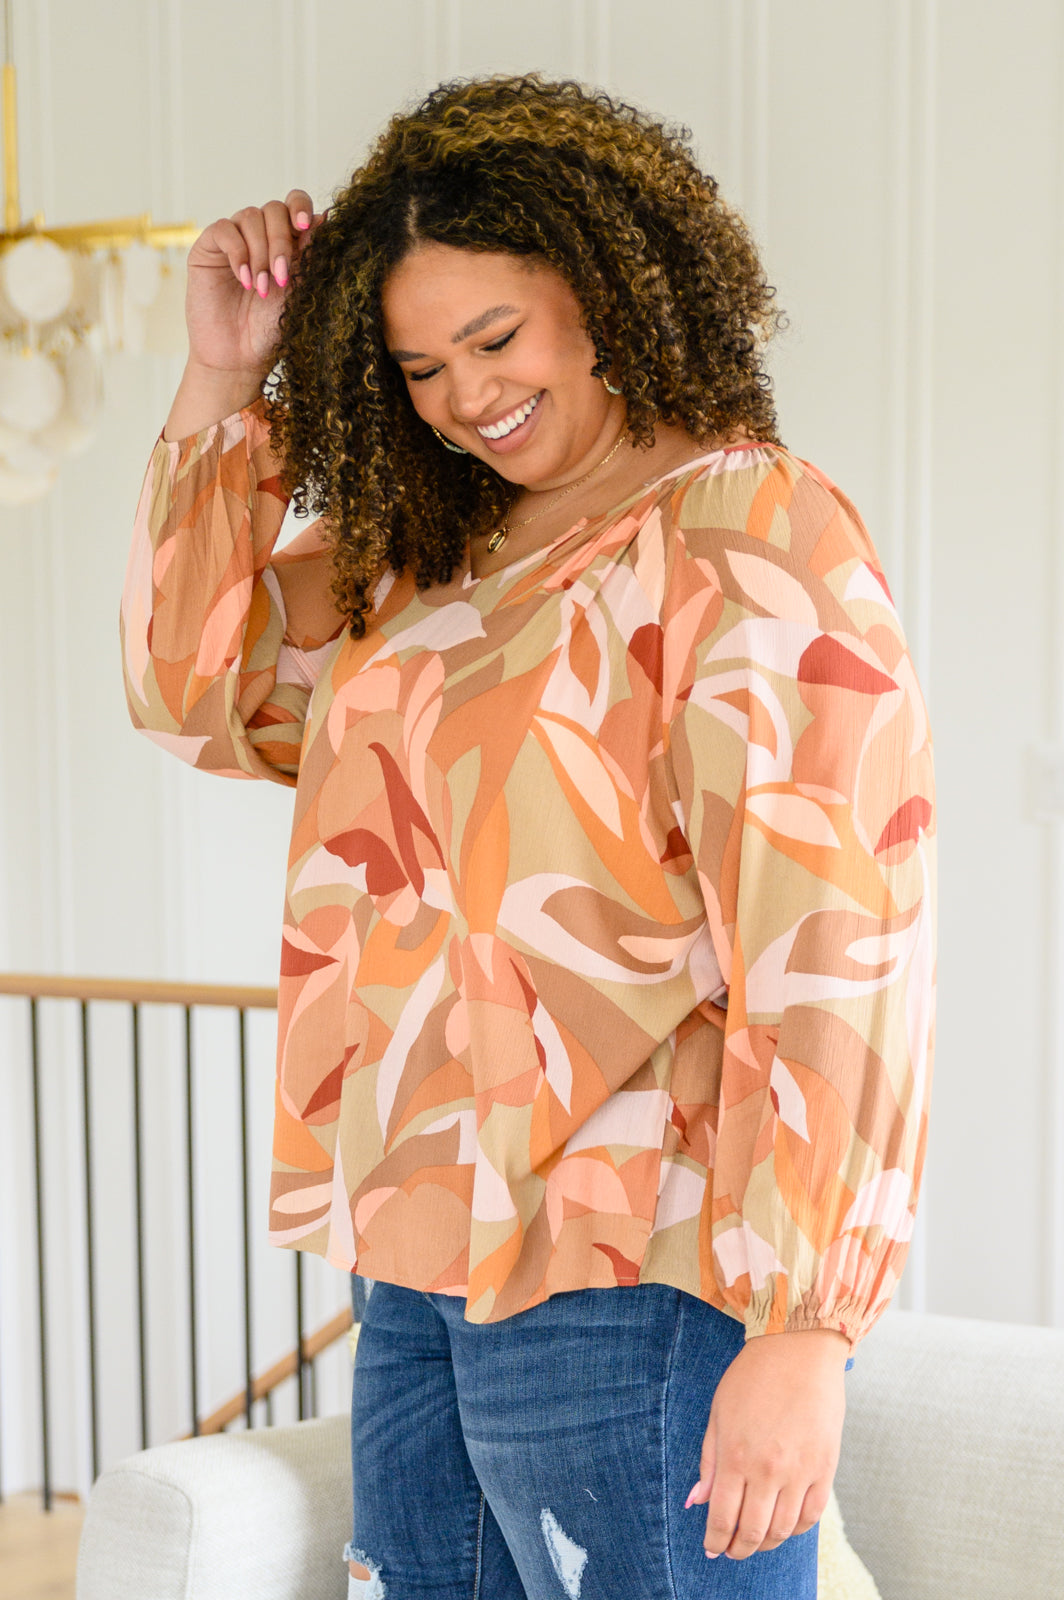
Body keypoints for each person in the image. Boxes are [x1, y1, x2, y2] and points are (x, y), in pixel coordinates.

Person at [122, 74, 935, 1600]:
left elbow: (836, 934)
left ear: (606, 289)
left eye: (496, 339)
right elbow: (190, 688)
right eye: (422, 365)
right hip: (420, 1252)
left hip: (635, 1260)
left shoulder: (745, 533)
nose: (465, 397)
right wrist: (223, 379)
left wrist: (810, 1325)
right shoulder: (422, 559)